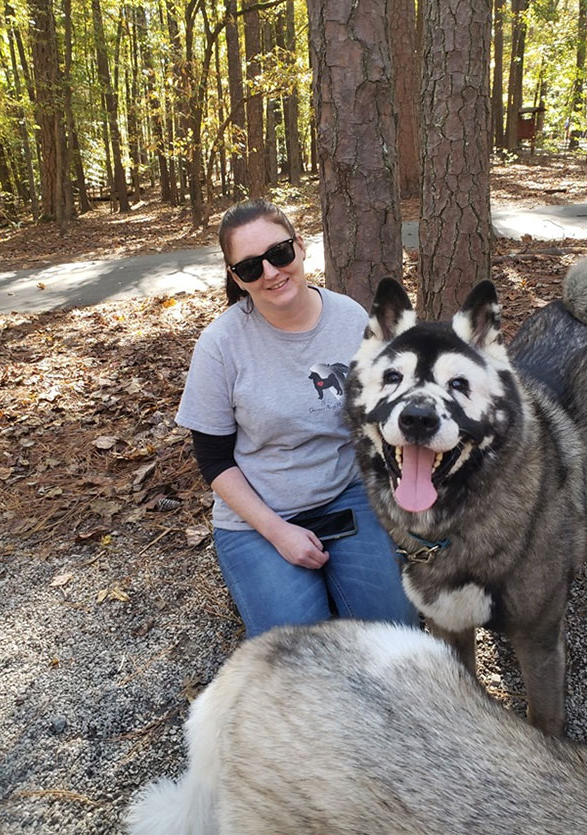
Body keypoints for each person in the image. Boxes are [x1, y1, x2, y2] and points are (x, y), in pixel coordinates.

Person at [176, 198, 418, 638]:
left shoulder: (350, 319)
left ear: (301, 247)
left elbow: (381, 416)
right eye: (250, 267)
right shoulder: (219, 345)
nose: (270, 272)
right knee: (296, 656)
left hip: (348, 494)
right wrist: (277, 532)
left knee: (395, 637)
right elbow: (213, 460)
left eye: (279, 254)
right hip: (260, 514)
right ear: (236, 277)